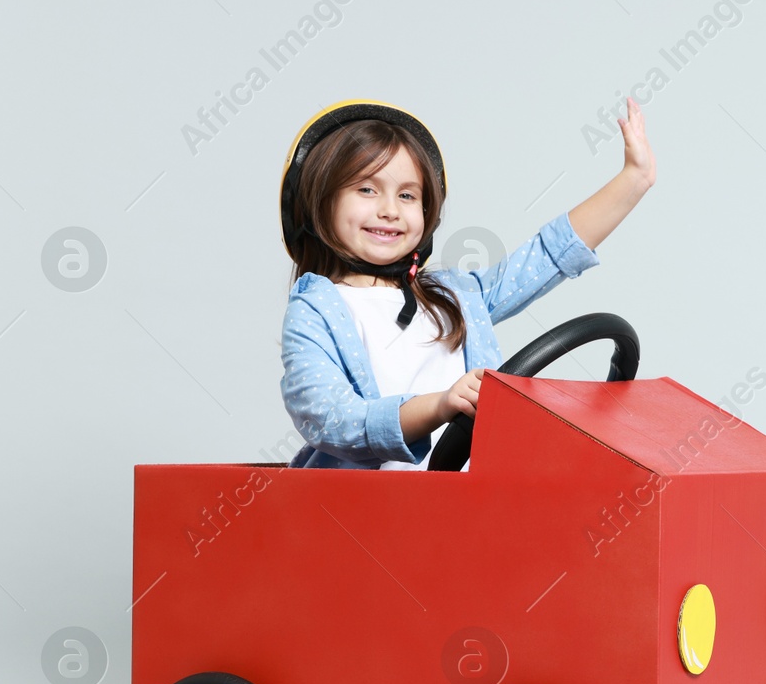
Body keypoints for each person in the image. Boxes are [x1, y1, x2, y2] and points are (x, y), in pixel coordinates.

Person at [278, 97, 655, 470]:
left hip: (468, 504)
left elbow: (547, 256)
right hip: (368, 517)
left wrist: (633, 181)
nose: (390, 210)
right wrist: (440, 405)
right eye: (366, 189)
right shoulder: (317, 311)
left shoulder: (453, 297)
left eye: (407, 195)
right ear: (320, 201)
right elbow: (332, 419)